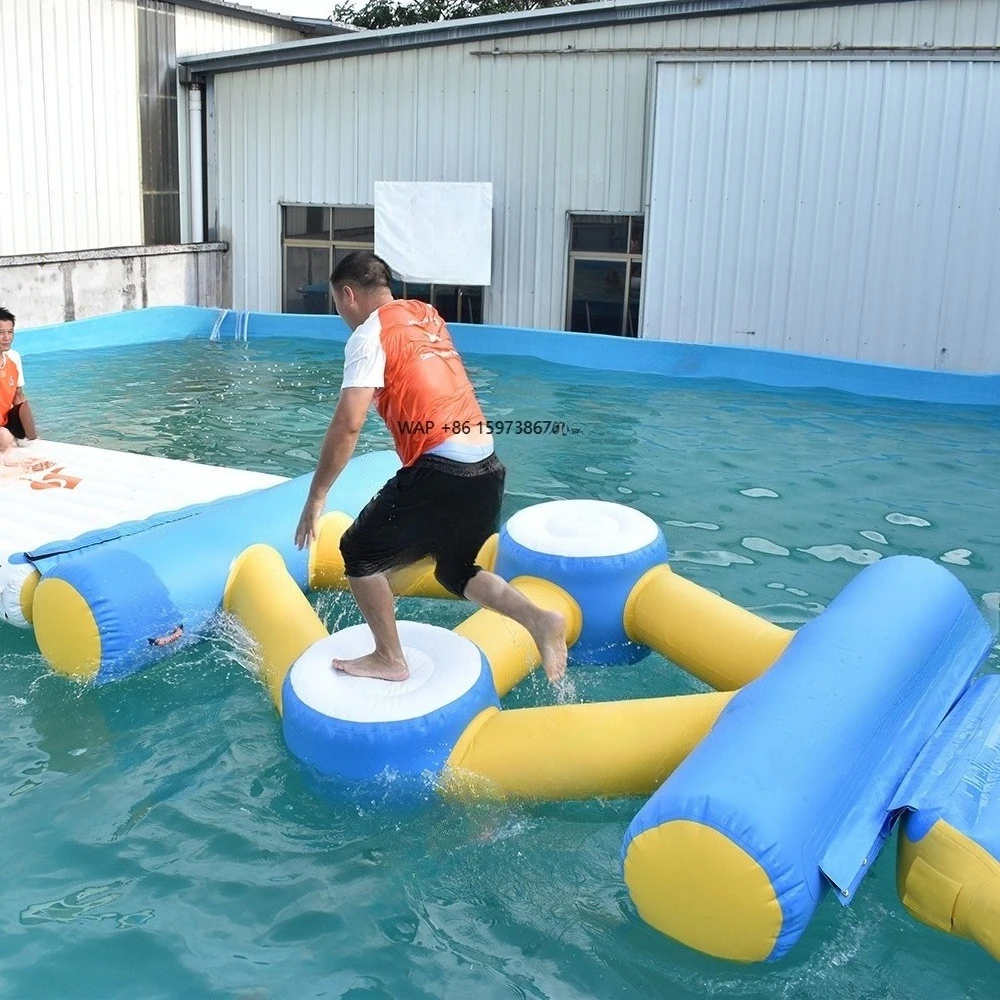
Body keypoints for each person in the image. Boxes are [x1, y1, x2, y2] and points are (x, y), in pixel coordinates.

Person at [294, 251, 567, 685]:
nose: (339, 314)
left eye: (336, 303)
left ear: (348, 295)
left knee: (358, 552)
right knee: (454, 569)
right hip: (486, 466)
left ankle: (389, 658)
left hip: (443, 468)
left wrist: (317, 496)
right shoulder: (425, 314)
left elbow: (349, 424)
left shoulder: (368, 335)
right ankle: (539, 620)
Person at [0, 306, 39, 455]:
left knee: (24, 406)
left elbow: (18, 396)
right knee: (4, 438)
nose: (6, 337)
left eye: (10, 332)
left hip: (5, 420)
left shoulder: (14, 358)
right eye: (1, 332)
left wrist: (31, 433)